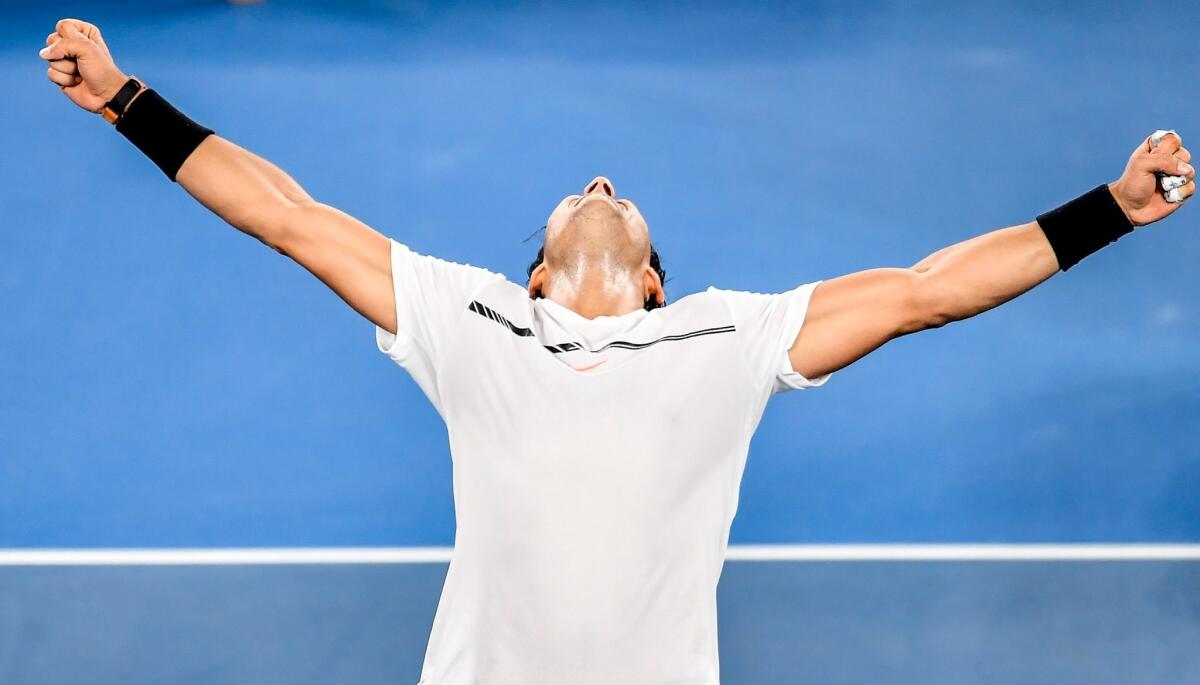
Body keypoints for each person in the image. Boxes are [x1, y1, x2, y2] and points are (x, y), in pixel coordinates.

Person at [39, 17, 1194, 685]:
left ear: (653, 283)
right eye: (585, 192)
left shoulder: (732, 337)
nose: (600, 184)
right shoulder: (467, 316)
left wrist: (1111, 207)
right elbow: (283, 213)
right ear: (536, 276)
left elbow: (927, 292)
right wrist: (127, 101)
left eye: (620, 198)